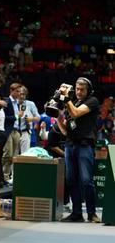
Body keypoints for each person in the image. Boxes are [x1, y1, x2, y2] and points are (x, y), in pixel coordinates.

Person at [59, 78, 100, 223]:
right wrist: (57, 115)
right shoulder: (72, 104)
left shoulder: (92, 101)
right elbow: (64, 131)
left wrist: (66, 98)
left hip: (84, 145)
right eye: (77, 89)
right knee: (71, 180)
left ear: (88, 90)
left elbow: (76, 113)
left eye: (82, 89)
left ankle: (92, 213)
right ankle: (76, 213)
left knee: (86, 180)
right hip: (70, 145)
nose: (78, 92)